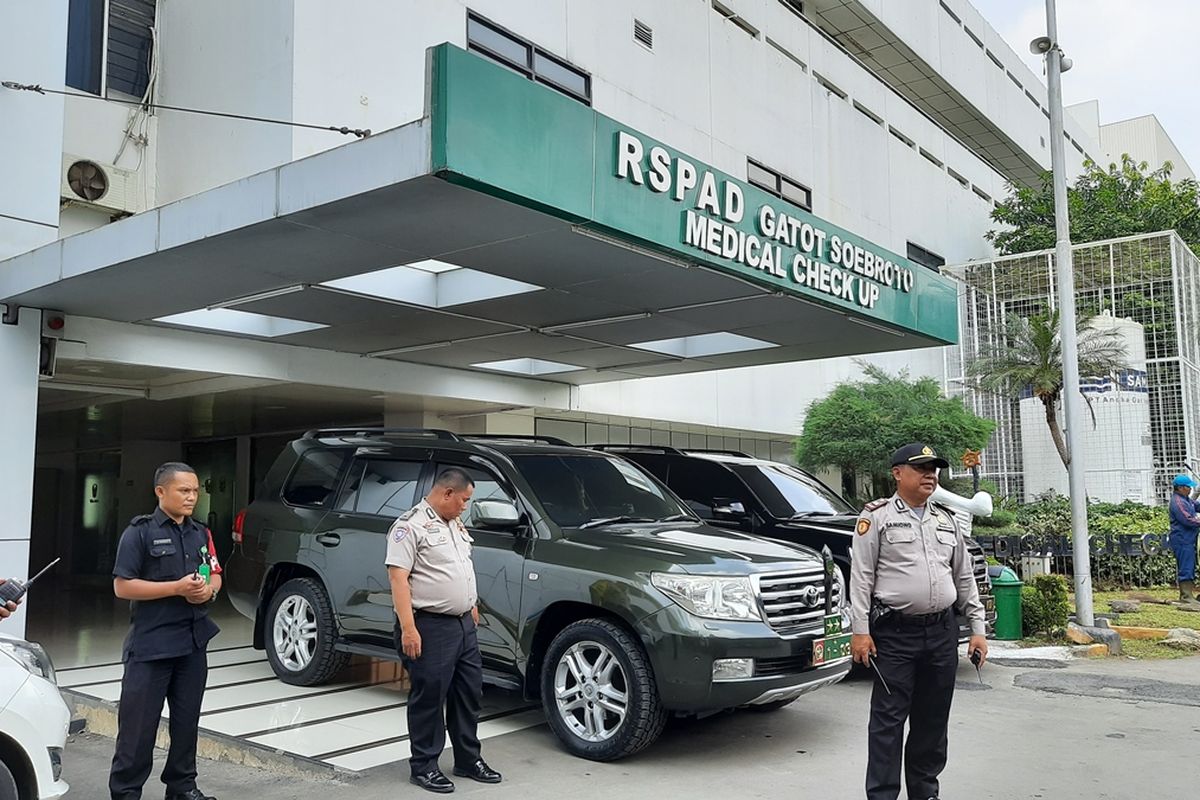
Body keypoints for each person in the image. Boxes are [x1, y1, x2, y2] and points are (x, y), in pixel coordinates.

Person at [849, 443, 989, 800]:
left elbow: (964, 577)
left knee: (932, 722)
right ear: (897, 473)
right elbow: (861, 578)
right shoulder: (875, 518)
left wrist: (977, 629)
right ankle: (882, 795)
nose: (930, 475)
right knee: (888, 723)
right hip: (895, 635)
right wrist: (860, 632)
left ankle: (925, 793)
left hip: (941, 633)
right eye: (922, 468)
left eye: (934, 469)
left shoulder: (946, 519)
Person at [109, 463, 221, 800]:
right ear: (161, 492)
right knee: (137, 732)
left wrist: (209, 591)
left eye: (195, 491)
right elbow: (122, 586)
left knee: (186, 725)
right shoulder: (139, 533)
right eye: (183, 491)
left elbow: (214, 572)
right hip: (151, 647)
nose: (191, 497)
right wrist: (176, 588)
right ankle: (126, 792)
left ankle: (182, 788)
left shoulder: (200, 532)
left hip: (191, 643)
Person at [386, 468, 501, 794]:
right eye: (464, 499)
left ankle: (468, 759)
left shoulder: (454, 525)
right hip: (429, 626)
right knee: (430, 697)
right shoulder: (409, 526)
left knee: (469, 693)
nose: (466, 506)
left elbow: (459, 567)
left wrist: (471, 604)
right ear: (447, 493)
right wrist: (409, 628)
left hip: (463, 625)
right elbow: (398, 579)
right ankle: (424, 766)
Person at [1167, 474, 1200, 601]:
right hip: (1182, 540)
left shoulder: (1186, 499)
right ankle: (1186, 596)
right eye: (1188, 487)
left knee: (1191, 565)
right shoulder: (1178, 502)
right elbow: (1187, 520)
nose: (1191, 489)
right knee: (1186, 566)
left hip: (1190, 539)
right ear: (1180, 488)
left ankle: (1189, 594)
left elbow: (1197, 506)